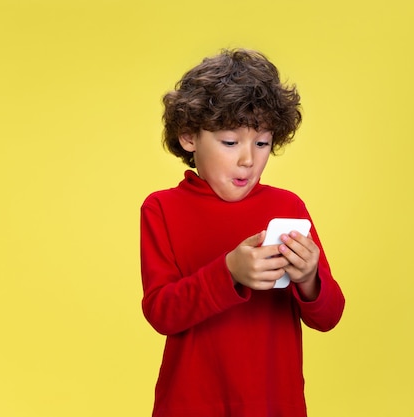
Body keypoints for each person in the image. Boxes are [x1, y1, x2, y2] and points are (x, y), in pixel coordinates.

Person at [140, 48, 345, 417]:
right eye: (231, 143)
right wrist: (228, 273)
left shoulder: (288, 209)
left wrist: (310, 277)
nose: (249, 159)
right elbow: (161, 313)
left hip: (273, 405)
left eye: (262, 143)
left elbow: (328, 317)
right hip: (190, 404)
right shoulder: (161, 209)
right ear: (189, 137)